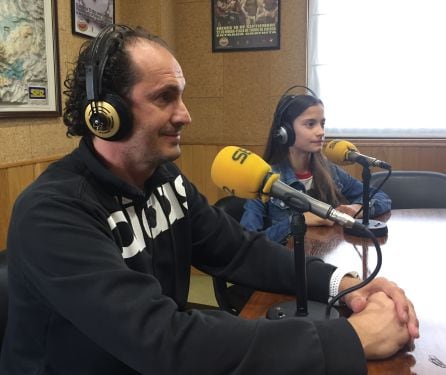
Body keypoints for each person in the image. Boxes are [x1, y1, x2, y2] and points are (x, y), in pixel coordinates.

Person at [0, 25, 418, 375]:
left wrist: (341, 285)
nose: (185, 114)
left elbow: (239, 250)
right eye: (164, 97)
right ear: (104, 114)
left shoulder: (162, 178)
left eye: (181, 96)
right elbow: (161, 340)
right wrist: (350, 339)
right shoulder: (53, 213)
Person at [240, 93, 392, 244]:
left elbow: (382, 197)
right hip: (286, 263)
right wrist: (298, 221)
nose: (321, 132)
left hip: (323, 260)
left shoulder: (330, 171)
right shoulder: (262, 179)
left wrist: (357, 208)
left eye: (322, 124)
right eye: (310, 124)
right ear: (285, 132)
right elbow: (246, 242)